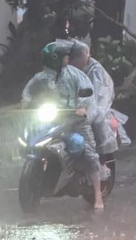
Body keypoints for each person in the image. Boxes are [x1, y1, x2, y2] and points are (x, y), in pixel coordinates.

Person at [21, 41, 106, 210]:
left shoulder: (75, 75)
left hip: (74, 121)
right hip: (51, 120)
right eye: (65, 57)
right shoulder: (40, 78)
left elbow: (87, 91)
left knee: (89, 153)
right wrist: (26, 102)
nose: (67, 59)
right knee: (30, 141)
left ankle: (98, 196)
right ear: (55, 58)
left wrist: (82, 107)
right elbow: (28, 92)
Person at [67, 40, 131, 149]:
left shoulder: (94, 70)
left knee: (95, 120)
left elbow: (95, 94)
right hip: (77, 100)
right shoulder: (69, 68)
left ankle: (104, 150)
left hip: (99, 96)